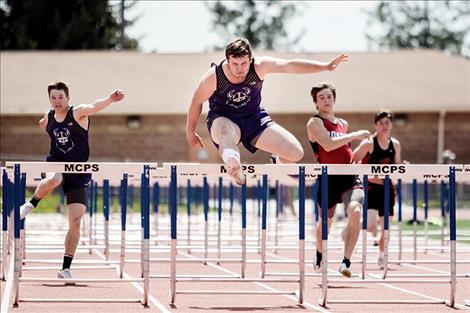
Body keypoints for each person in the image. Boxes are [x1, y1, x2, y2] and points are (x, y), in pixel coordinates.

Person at [186, 38, 349, 184]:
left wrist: (325, 66)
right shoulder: (214, 76)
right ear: (227, 60)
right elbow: (196, 101)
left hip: (254, 118)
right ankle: (233, 163)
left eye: (244, 64)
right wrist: (190, 132)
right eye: (234, 64)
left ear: (250, 60)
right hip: (223, 119)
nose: (239, 70)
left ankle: (276, 161)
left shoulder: (259, 66)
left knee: (295, 153)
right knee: (225, 129)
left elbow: (290, 65)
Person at [19, 81, 125, 280]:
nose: (57, 101)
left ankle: (65, 268)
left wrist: (110, 99)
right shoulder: (50, 115)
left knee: (75, 221)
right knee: (55, 178)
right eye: (53, 98)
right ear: (49, 99)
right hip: (56, 164)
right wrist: (42, 123)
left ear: (67, 98)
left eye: (60, 97)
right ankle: (30, 204)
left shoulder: (77, 113)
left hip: (78, 171)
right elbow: (43, 122)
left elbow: (94, 106)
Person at [306, 82, 370, 277]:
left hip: (350, 175)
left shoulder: (343, 123)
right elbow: (328, 145)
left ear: (334, 99)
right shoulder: (314, 122)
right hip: (328, 178)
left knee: (355, 210)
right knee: (326, 223)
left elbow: (345, 149)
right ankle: (319, 252)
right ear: (316, 103)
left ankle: (346, 262)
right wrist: (355, 135)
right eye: (322, 97)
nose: (326, 100)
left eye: (329, 96)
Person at [353, 109, 403, 269]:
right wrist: (370, 176)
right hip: (369, 189)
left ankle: (382, 254)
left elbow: (397, 165)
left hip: (387, 190)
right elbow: (352, 161)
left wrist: (404, 167)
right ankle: (350, 229)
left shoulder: (395, 144)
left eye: (387, 122)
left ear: (391, 125)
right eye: (380, 123)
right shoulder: (368, 143)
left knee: (386, 228)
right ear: (376, 125)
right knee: (370, 227)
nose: (384, 126)